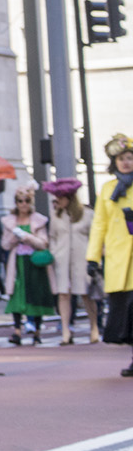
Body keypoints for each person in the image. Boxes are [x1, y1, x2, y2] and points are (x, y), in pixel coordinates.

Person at [88, 134, 133, 376]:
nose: (125, 163)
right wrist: (92, 257)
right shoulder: (107, 189)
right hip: (117, 259)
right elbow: (99, 224)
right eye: (121, 159)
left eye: (129, 158)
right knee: (124, 310)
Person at [44, 177, 99, 343]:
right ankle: (66, 331)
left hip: (82, 259)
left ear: (70, 198)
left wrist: (94, 259)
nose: (57, 201)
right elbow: (52, 237)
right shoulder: (56, 216)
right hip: (61, 261)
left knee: (86, 294)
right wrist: (54, 253)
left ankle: (94, 326)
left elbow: (94, 237)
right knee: (63, 295)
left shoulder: (87, 214)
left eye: (60, 197)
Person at [0, 181, 53, 345]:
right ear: (16, 203)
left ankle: (36, 330)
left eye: (26, 201)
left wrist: (27, 237)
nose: (23, 204)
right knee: (16, 295)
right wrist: (15, 236)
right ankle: (17, 331)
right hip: (17, 264)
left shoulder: (39, 221)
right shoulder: (9, 222)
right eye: (20, 201)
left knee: (36, 295)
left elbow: (43, 243)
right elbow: (5, 245)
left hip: (34, 264)